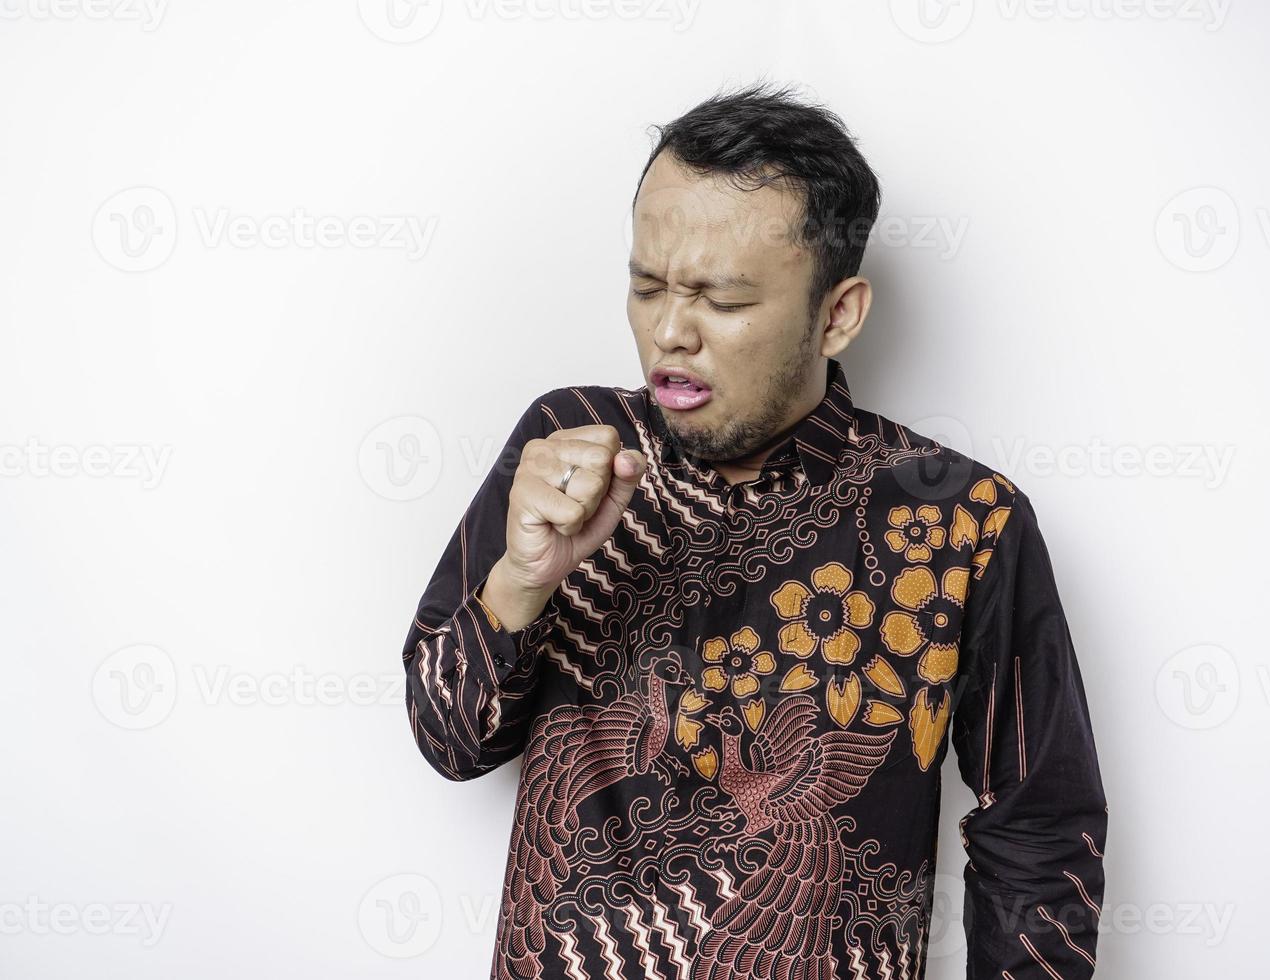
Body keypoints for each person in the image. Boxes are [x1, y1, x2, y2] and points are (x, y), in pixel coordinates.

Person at [401, 80, 1107, 980]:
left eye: (722, 301)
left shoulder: (959, 519)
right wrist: (522, 578)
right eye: (646, 286)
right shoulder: (567, 446)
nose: (668, 333)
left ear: (838, 314)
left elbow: (1040, 827)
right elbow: (449, 742)